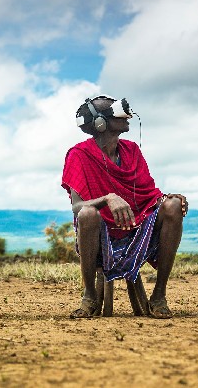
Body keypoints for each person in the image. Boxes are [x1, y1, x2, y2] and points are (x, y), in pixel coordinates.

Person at [61, 95, 187, 318]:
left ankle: (159, 296)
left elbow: (148, 196)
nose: (127, 115)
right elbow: (77, 207)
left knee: (173, 206)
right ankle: (89, 296)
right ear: (100, 124)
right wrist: (107, 198)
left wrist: (167, 200)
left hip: (136, 230)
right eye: (116, 112)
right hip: (101, 237)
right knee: (88, 213)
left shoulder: (131, 151)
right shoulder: (78, 155)